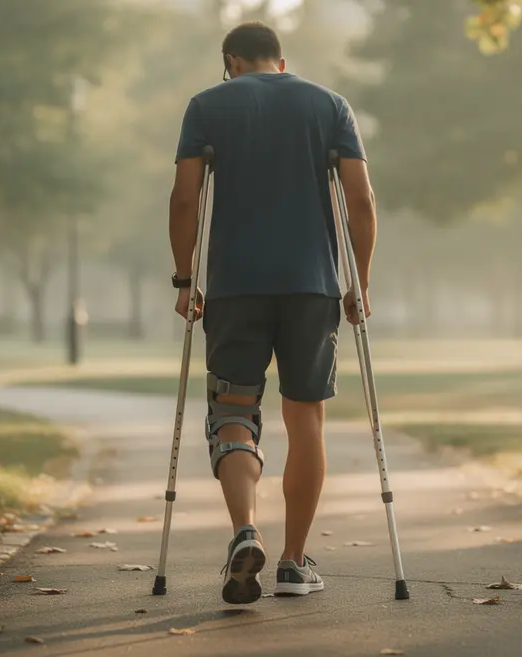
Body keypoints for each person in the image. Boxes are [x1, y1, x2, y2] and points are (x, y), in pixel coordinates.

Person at [167, 20, 378, 605]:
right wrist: (360, 281)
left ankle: (245, 531)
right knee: (305, 418)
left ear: (230, 61)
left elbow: (185, 198)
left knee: (233, 411)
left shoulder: (207, 105)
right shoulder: (329, 105)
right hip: (312, 289)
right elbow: (359, 200)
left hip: (235, 288)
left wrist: (186, 279)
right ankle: (291, 563)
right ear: (281, 63)